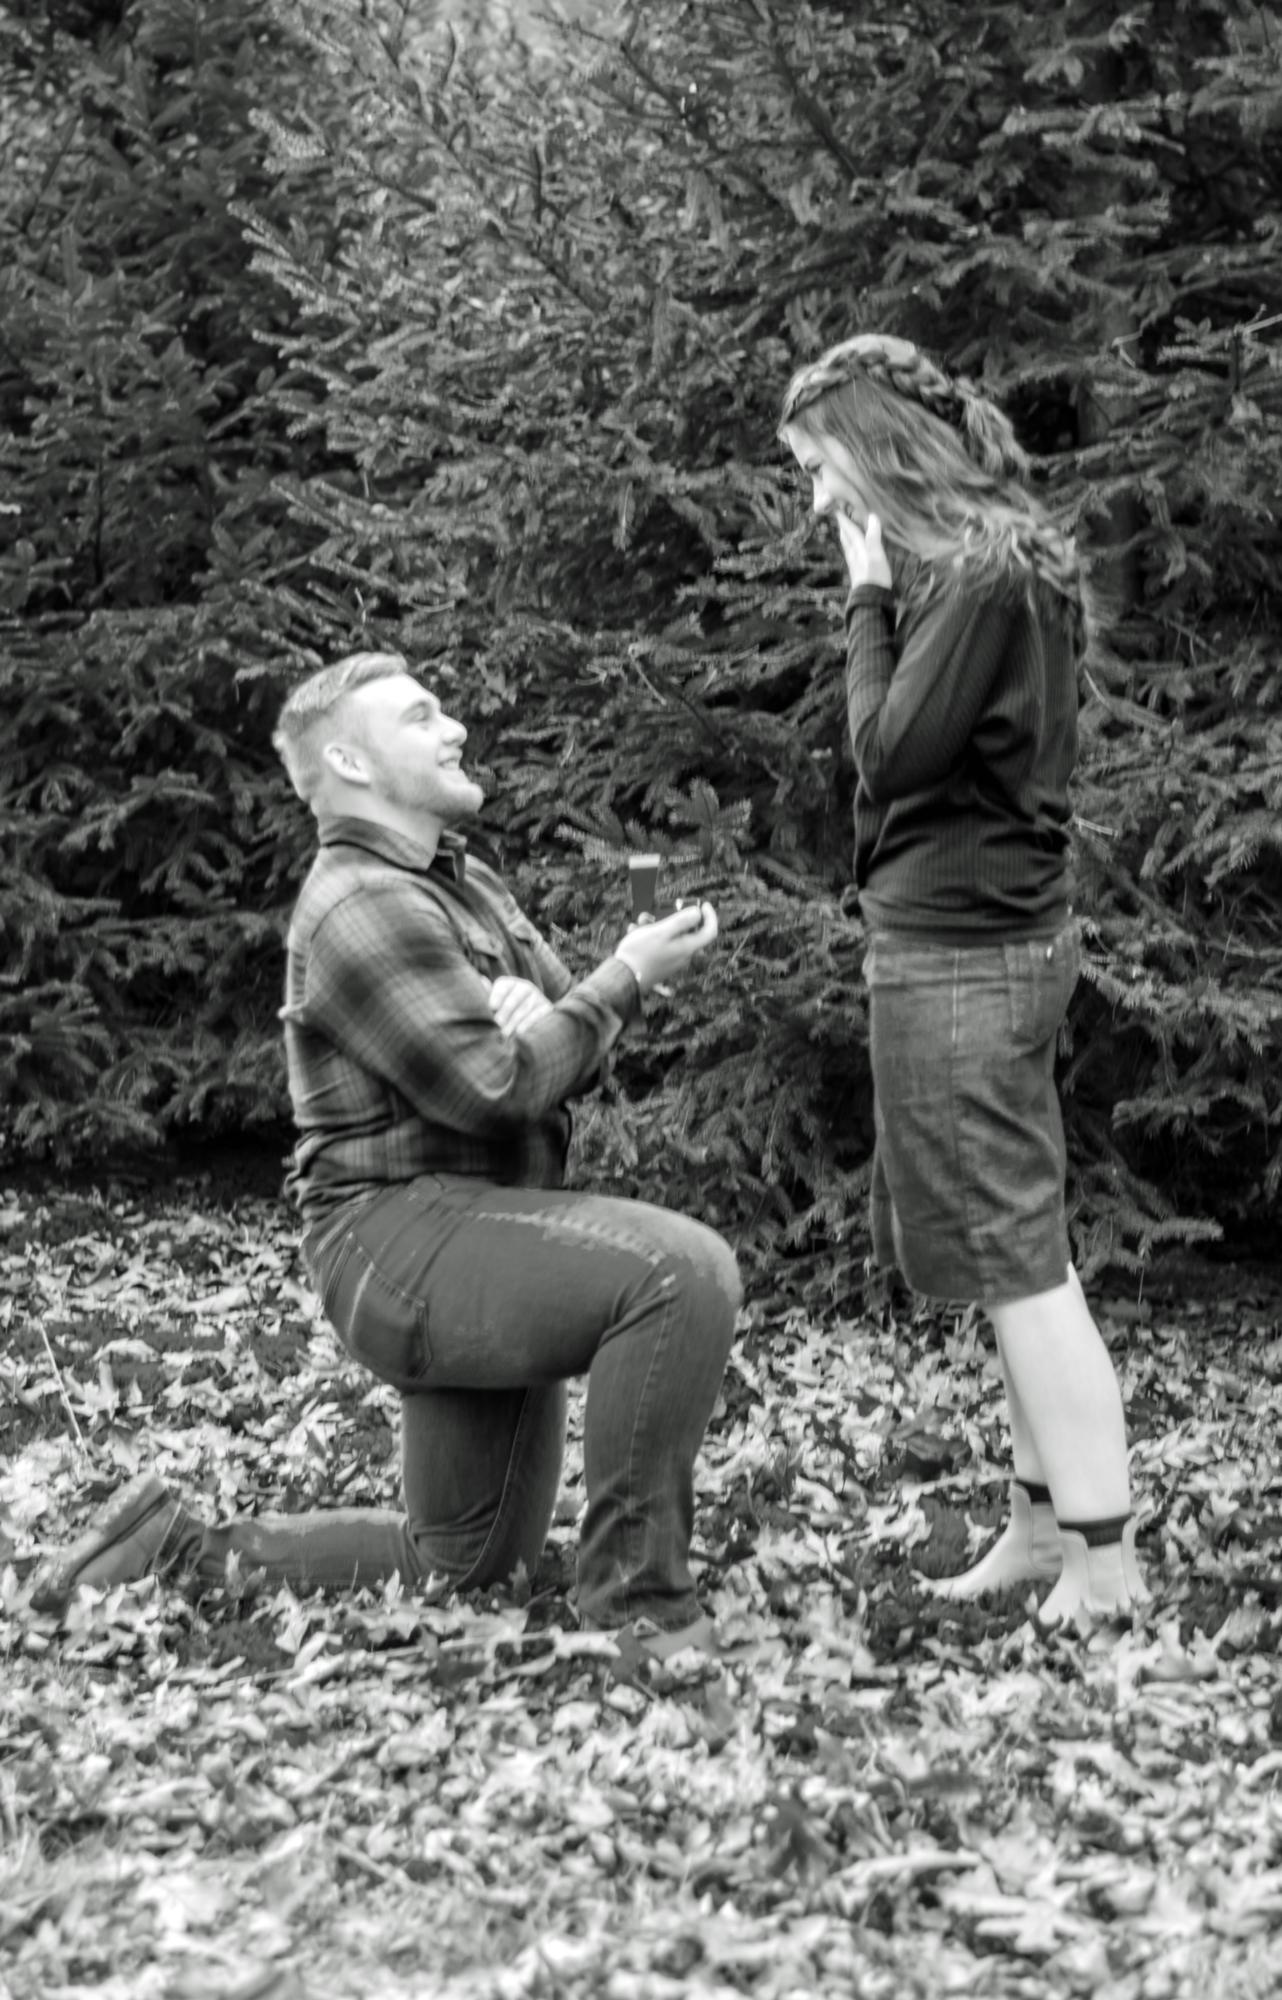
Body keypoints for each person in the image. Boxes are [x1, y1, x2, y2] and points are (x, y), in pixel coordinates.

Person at [32, 652, 736, 1659]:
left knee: (467, 1559)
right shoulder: (358, 902)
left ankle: (171, 1547)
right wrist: (615, 981)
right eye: (420, 716)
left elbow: (557, 1045)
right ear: (352, 764)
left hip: (485, 1221)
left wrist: (565, 1008)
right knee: (679, 1272)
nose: (455, 728)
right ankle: (641, 1612)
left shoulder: (465, 881)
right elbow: (499, 1083)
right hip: (396, 1237)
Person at [779, 333, 1149, 1630]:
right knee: (1010, 1255)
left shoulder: (978, 572)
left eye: (820, 468)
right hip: (975, 943)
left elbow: (888, 753)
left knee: (1022, 1264)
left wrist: (864, 599)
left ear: (876, 446)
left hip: (966, 955)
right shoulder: (993, 561)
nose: (818, 501)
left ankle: (1104, 1564)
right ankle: (1041, 1531)